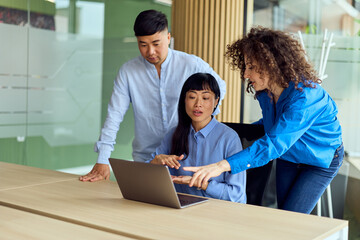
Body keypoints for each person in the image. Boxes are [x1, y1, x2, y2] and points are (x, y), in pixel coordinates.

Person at [184, 27, 344, 214]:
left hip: (320, 159)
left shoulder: (306, 97)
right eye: (245, 66)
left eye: (251, 67)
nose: (245, 74)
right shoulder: (265, 92)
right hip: (289, 154)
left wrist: (221, 165)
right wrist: (227, 133)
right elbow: (273, 124)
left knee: (293, 217)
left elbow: (274, 143)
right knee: (282, 213)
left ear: (272, 64)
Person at [79, 10, 226, 182]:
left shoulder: (191, 64)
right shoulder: (128, 72)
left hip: (186, 157)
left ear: (168, 38)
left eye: (156, 43)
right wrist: (103, 159)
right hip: (147, 159)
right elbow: (114, 115)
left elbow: (220, 89)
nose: (150, 51)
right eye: (143, 44)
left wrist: (199, 123)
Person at [148, 73, 246, 203]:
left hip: (217, 213)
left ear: (216, 101)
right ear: (184, 100)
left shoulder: (229, 138)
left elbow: (236, 195)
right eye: (192, 97)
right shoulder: (174, 134)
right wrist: (156, 161)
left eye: (205, 98)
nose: (198, 104)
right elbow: (144, 177)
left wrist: (201, 183)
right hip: (178, 209)